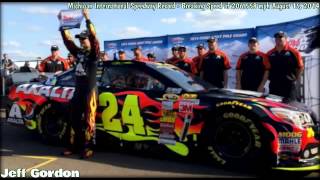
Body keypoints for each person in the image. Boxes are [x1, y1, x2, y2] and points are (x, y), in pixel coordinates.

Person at [59, 9, 100, 159]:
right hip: (78, 90)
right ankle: (73, 146)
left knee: (89, 120)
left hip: (90, 91)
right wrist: (62, 24)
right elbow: (68, 42)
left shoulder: (95, 53)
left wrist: (88, 18)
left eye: (84, 39)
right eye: (81, 39)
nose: (82, 41)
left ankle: (88, 148)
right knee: (73, 118)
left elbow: (95, 37)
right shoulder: (79, 53)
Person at [267, 31, 304, 102]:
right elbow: (267, 69)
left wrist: (295, 78)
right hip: (274, 84)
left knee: (290, 106)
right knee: (274, 106)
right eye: (276, 38)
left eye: (281, 37)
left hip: (288, 85)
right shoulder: (269, 53)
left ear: (286, 39)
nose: (278, 39)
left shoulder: (294, 52)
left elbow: (300, 67)